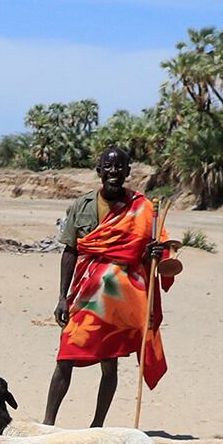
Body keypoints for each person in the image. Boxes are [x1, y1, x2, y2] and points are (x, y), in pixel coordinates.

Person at [44, 146, 179, 427]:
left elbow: (156, 252)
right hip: (86, 295)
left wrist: (155, 254)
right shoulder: (82, 205)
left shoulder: (142, 208)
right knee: (66, 355)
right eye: (108, 167)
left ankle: (97, 425)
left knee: (110, 362)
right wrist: (61, 298)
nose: (114, 172)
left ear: (128, 171)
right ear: (99, 171)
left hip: (122, 300)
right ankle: (47, 423)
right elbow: (70, 252)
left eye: (120, 167)